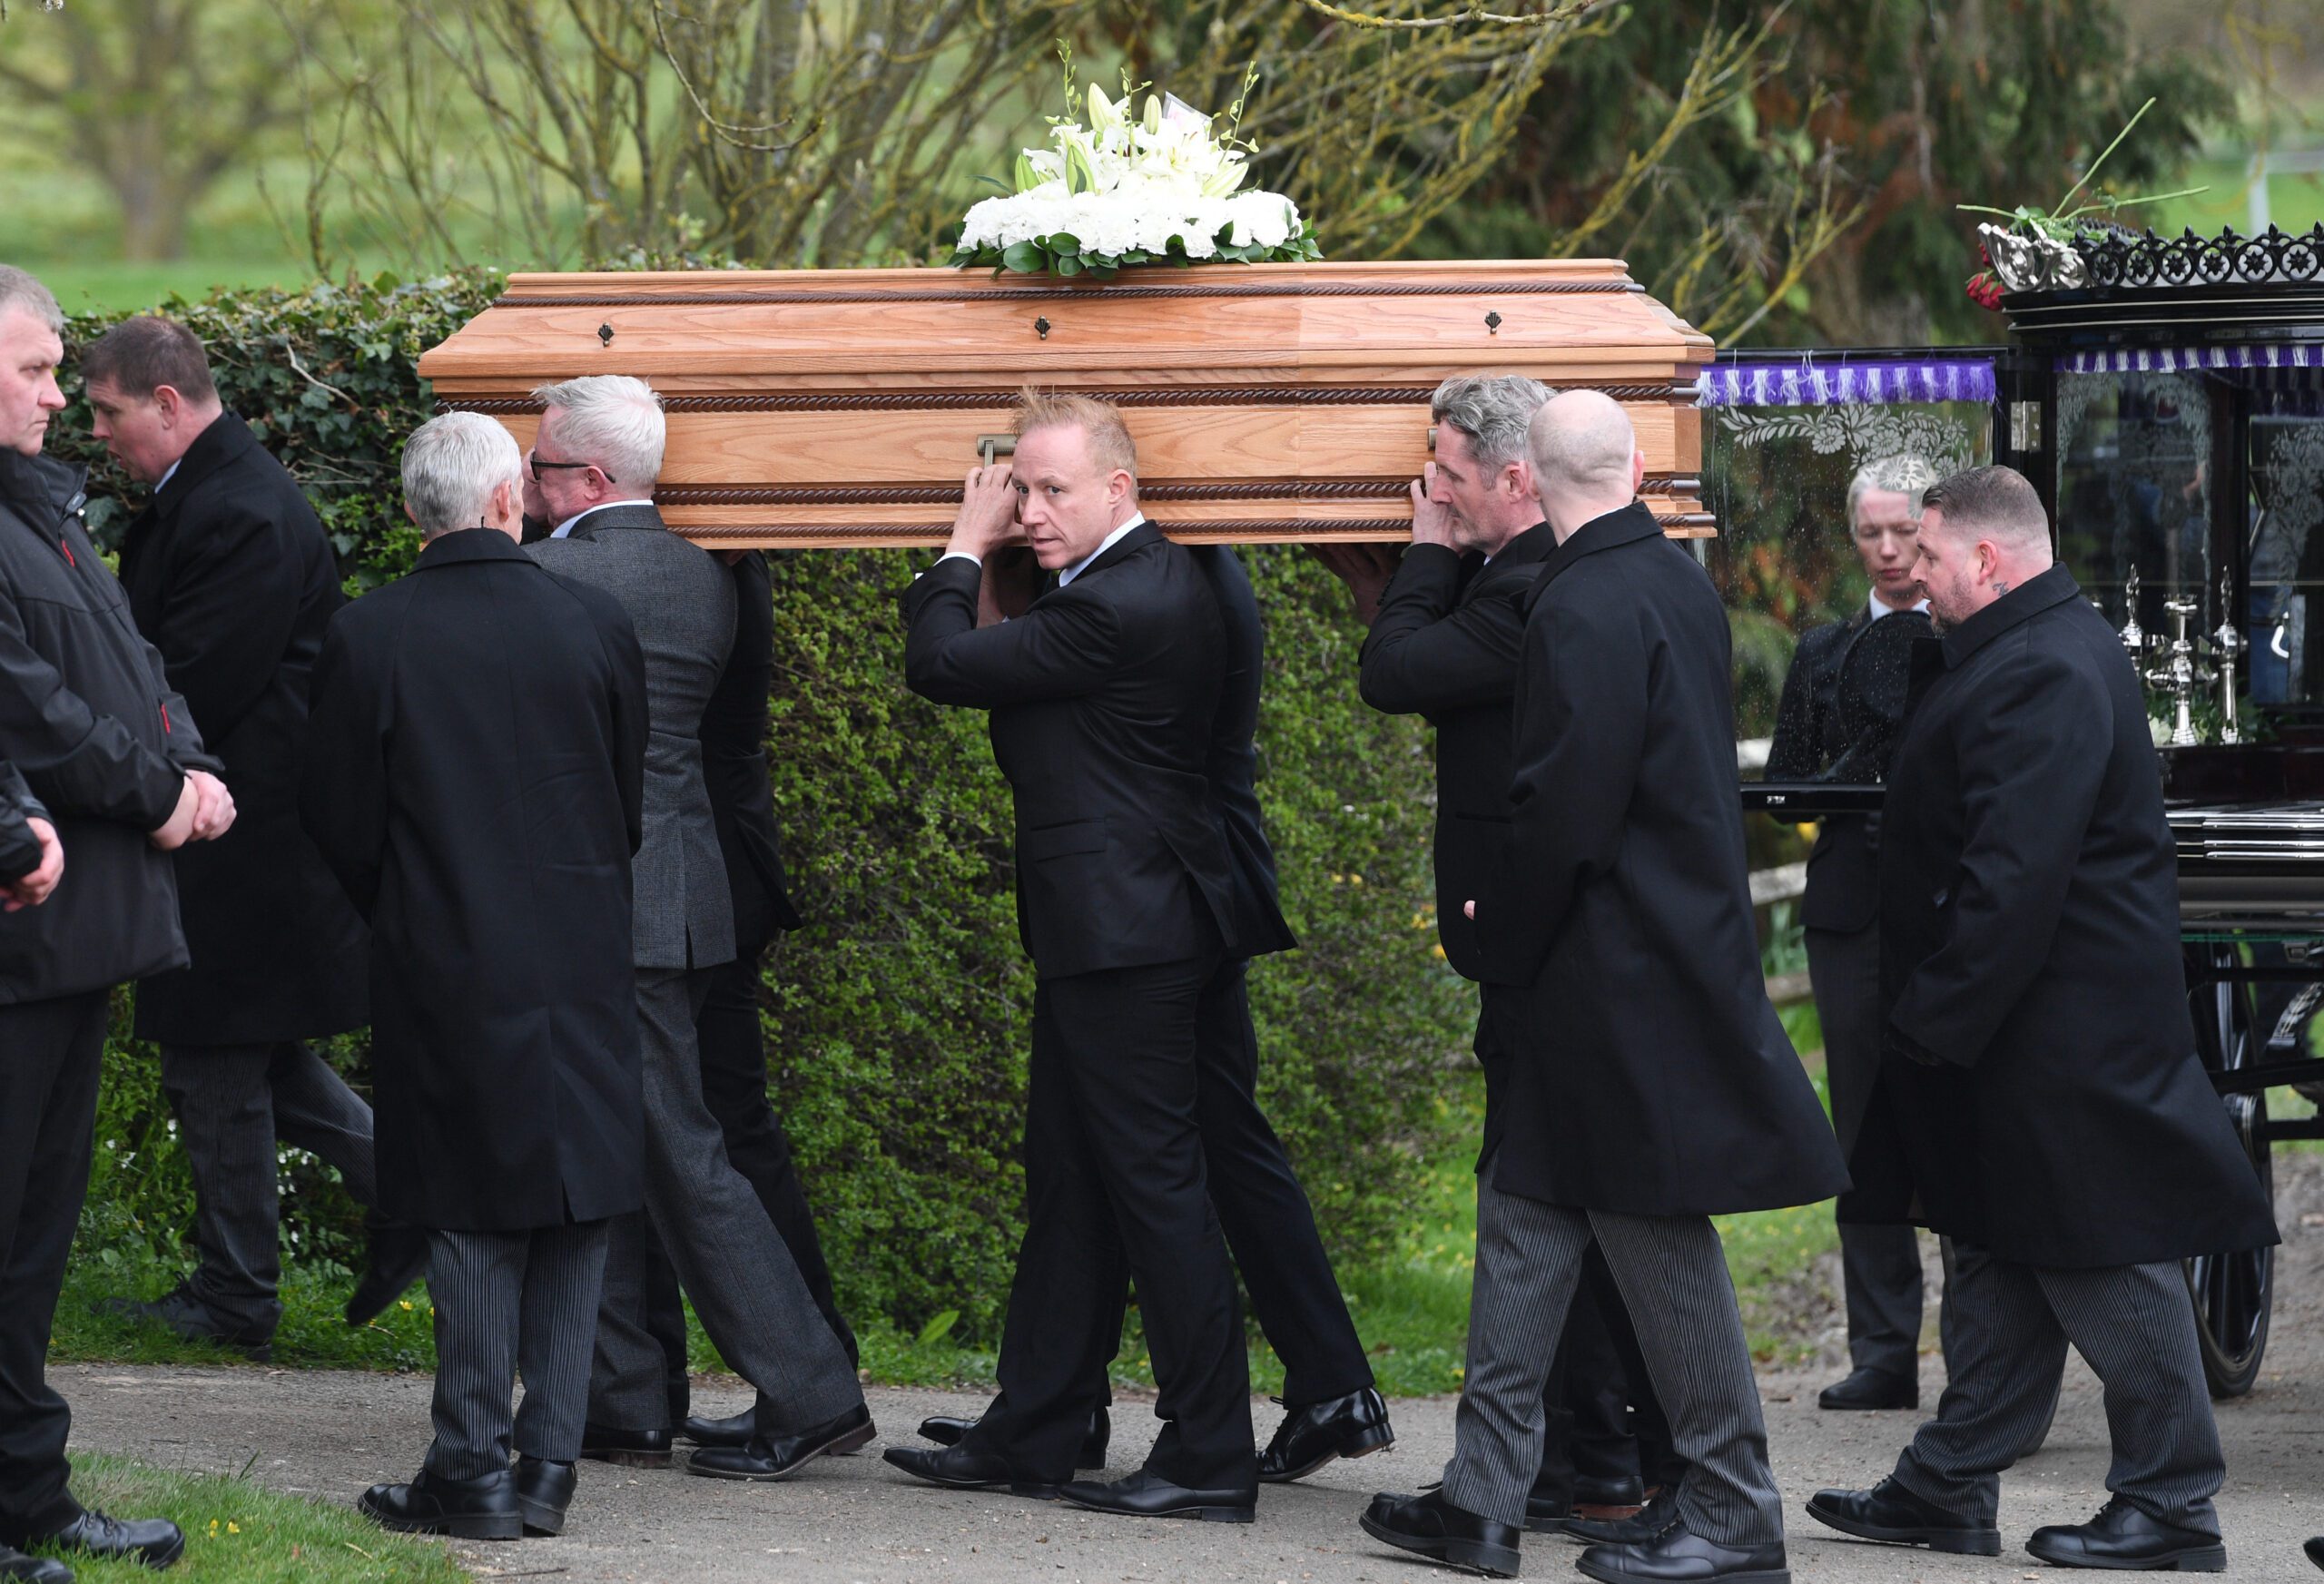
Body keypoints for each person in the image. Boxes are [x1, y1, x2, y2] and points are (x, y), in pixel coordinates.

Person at [1360, 390, 1848, 1583]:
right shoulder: (1673, 577)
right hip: (1634, 955)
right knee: (1525, 1221)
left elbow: (1565, 813)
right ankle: (1481, 1498)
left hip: (1611, 970)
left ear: (1527, 475)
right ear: (1637, 466)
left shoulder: (1579, 601)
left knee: (1653, 1234)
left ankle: (1735, 1506)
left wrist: (1498, 930)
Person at [1807, 465, 2279, 1571]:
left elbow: (2010, 876)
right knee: (2008, 1247)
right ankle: (1946, 1482)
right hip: (2028, 1023)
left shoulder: (2042, 666)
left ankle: (2171, 1502)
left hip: (2058, 1028)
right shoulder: (2021, 650)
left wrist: (1931, 1018)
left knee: (2103, 1253)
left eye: (1925, 556)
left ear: (1984, 558)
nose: (1909, 575)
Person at [909, 528, 1393, 1486]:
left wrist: (967, 557)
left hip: (1142, 902)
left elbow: (954, 664)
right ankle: (1058, 1410)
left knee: (1160, 1161)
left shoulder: (1137, 591)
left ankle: (1189, 1427)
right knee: (1104, 1155)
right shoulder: (1194, 570)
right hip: (1177, 887)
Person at [886, 391, 1261, 1522]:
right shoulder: (1132, 579)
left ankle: (1208, 1454)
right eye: (1020, 488)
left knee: (1154, 1187)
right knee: (1073, 1178)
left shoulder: (1121, 602)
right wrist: (1008, 551)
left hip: (1126, 932)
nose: (1030, 510)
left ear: (1121, 490)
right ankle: (1038, 1423)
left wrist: (960, 541)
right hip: (1129, 921)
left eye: (1052, 490)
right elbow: (1011, 650)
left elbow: (943, 663)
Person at [1322, 373, 1677, 1536]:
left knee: (1551, 1213)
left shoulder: (1531, 588)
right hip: (1538, 946)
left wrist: (1418, 560)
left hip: (1538, 945)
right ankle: (1590, 1462)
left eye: (1449, 475)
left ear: (1516, 479)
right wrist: (1409, 579)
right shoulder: (1527, 579)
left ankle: (1590, 1464)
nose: (1431, 492)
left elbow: (1396, 676)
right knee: (1556, 1212)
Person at [303, 411, 648, 1541]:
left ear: (415, 511)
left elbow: (340, 819)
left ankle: (468, 1462)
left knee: (465, 1208)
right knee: (576, 1201)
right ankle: (544, 1462)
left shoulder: (371, 636)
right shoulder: (596, 621)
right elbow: (626, 798)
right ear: (510, 499)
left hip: (444, 953)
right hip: (585, 950)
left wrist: (405, 907)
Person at [523, 375, 871, 1481]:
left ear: (586, 476)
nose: (521, 483)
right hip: (680, 887)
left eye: (534, 465)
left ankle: (810, 1386)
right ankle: (622, 1395)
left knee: (677, 1149)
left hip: (603, 902)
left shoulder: (546, 575)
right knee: (634, 1138)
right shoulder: (701, 574)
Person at [77, 316, 413, 1359]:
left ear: (167, 404)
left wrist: (102, 762)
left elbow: (189, 686)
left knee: (215, 1066)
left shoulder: (241, 510)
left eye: (108, 411)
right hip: (243, 845)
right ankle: (426, 1204)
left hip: (241, 849)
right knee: (258, 1069)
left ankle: (238, 1293)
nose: (96, 432)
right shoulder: (223, 498)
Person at [0, 263, 227, 1577]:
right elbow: (33, 707)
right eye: (33, 372)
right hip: (20, 932)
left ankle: (29, 1497)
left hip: (71, 937)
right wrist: (159, 795)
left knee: (34, 1239)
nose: (54, 395)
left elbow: (135, 672)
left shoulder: (50, 515)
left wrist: (183, 770)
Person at [658, 545, 862, 1454]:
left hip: (700, 869)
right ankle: (812, 1362)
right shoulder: (718, 559)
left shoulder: (696, 565)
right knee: (724, 1120)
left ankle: (811, 1372)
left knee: (715, 1125)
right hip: (717, 859)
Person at [1763, 455, 1937, 1412]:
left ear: (1930, 532)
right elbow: (1788, 771)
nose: (1886, 551)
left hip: (1945, 902)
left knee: (1957, 1107)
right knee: (1861, 1121)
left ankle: (1991, 1350)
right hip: (1849, 907)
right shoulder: (1824, 649)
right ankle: (1883, 1348)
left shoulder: (1966, 641)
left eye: (1902, 533)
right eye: (1869, 533)